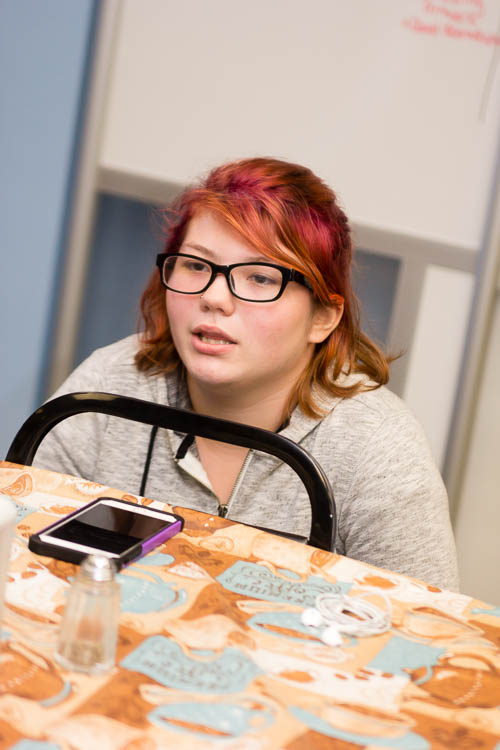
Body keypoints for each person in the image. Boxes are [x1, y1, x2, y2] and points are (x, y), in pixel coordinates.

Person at [34, 157, 459, 590]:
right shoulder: (109, 384)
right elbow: (19, 552)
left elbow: (429, 630)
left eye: (260, 277)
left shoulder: (375, 445)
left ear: (323, 317)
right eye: (196, 266)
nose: (214, 297)